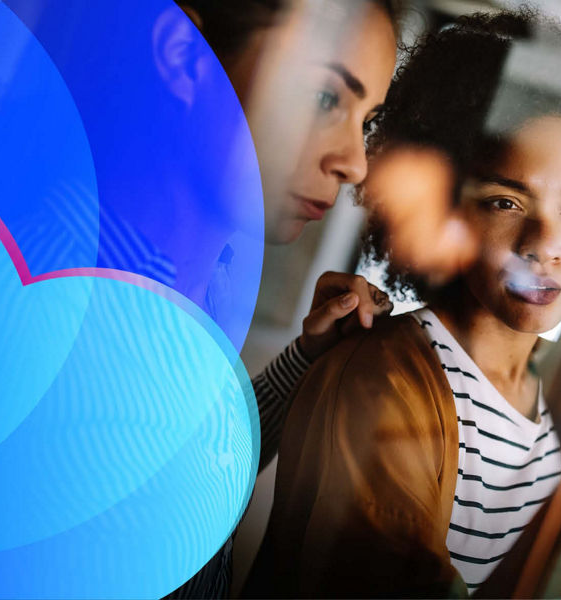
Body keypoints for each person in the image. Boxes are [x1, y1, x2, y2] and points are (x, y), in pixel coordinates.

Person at [242, 9, 561, 597]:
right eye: (506, 202)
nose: (546, 245)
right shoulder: (388, 386)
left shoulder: (552, 389)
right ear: (447, 209)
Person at [155, 0, 403, 596]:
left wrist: (304, 362)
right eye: (325, 98)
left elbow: (189, 481)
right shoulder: (87, 301)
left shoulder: (205, 280)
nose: (354, 163)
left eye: (366, 121)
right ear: (187, 54)